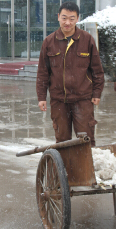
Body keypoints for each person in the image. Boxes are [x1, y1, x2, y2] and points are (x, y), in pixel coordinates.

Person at [36, 1, 104, 146]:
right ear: (58, 17)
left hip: (83, 99)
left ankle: (86, 169)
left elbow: (97, 70)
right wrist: (41, 97)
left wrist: (97, 93)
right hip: (59, 100)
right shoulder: (49, 42)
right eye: (64, 17)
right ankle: (65, 168)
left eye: (72, 18)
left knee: (86, 139)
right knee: (62, 141)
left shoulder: (87, 39)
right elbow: (43, 73)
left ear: (78, 18)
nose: (67, 22)